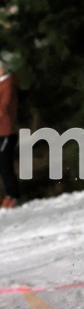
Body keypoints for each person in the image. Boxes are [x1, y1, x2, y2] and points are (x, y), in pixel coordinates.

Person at [0, 58, 19, 208]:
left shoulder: (8, 83)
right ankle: (9, 194)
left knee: (5, 165)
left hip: (6, 131)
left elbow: (4, 107)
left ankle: (13, 195)